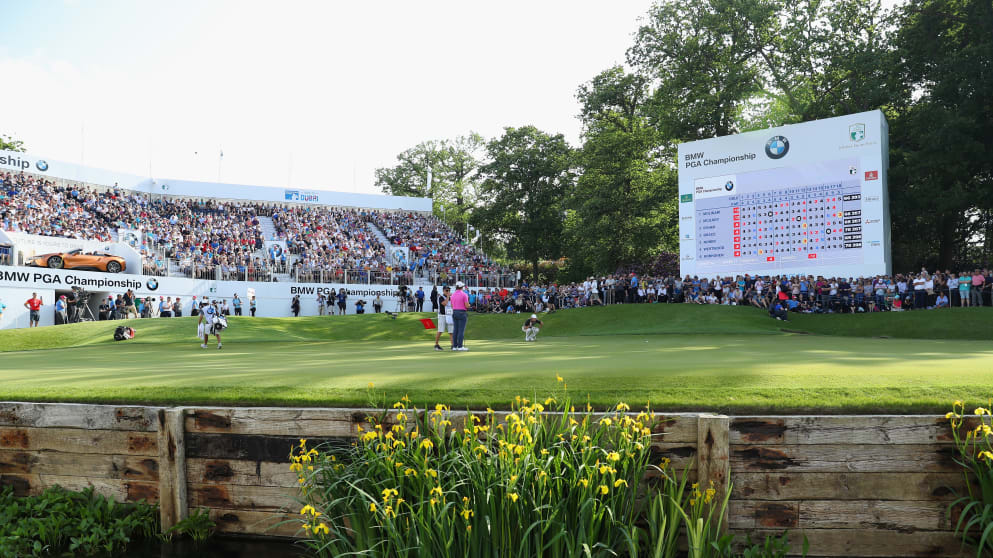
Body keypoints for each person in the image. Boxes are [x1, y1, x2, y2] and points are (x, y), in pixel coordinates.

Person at [450, 281, 469, 351]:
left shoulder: (452, 295)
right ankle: (460, 346)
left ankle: (455, 346)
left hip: (454, 312)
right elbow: (467, 305)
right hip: (462, 313)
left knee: (455, 330)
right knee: (461, 330)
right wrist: (469, 306)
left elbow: (452, 305)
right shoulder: (464, 295)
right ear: (461, 287)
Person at [434, 286, 452, 352]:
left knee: (451, 331)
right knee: (440, 330)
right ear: (443, 291)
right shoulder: (441, 297)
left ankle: (453, 345)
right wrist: (447, 297)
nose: (448, 292)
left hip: (449, 316)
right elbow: (444, 303)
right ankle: (436, 344)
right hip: (442, 316)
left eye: (449, 290)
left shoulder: (451, 298)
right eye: (446, 290)